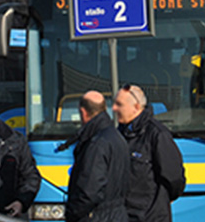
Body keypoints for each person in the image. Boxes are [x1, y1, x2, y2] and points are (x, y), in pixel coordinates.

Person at [112, 84, 185, 222]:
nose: (114, 109)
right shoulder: (119, 134)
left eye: (119, 104)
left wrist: (160, 202)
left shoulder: (157, 134)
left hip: (150, 217)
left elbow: (173, 177)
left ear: (136, 107)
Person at [64, 91, 130, 222]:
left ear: (83, 112)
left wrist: (72, 213)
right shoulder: (117, 137)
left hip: (98, 216)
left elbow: (89, 191)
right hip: (118, 214)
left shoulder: (96, 143)